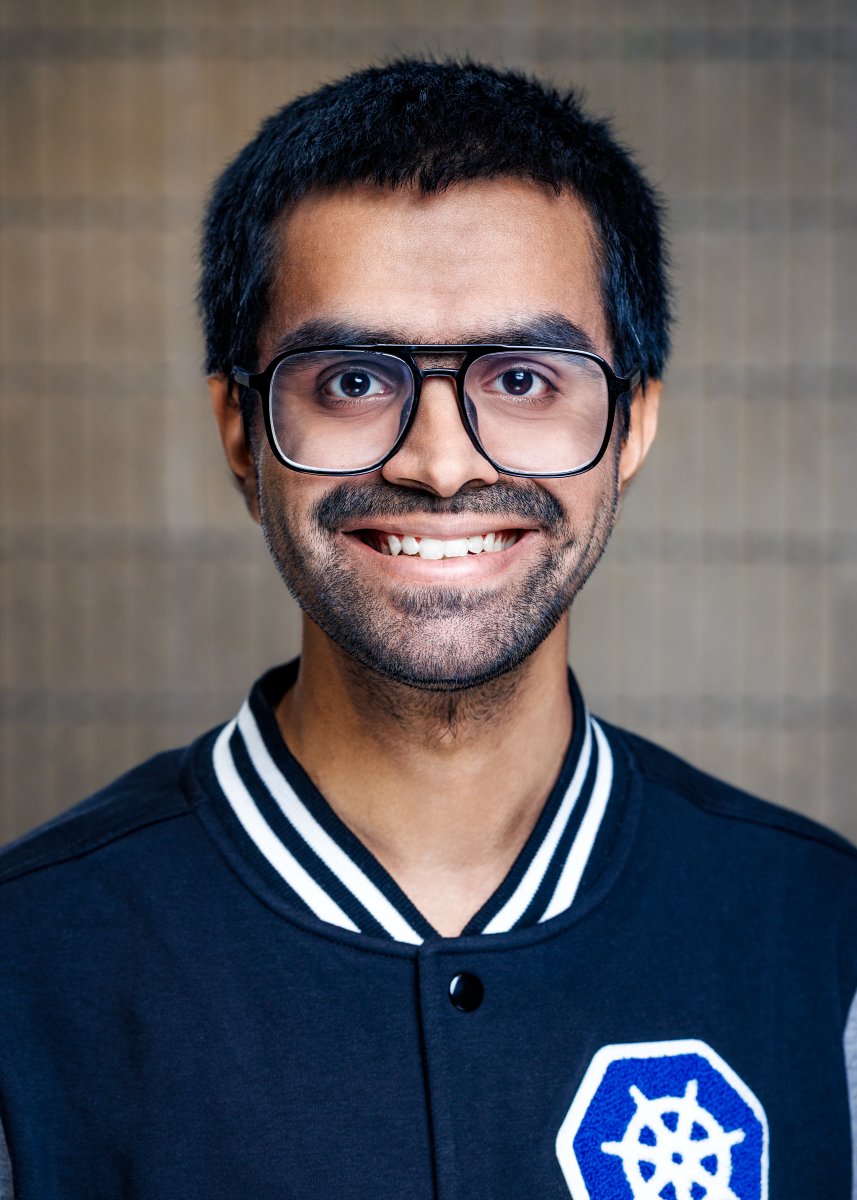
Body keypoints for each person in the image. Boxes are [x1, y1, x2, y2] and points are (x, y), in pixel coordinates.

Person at [0, 58, 854, 1200]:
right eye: (352, 379)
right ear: (240, 430)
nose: (441, 463)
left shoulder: (819, 939)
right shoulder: (27, 961)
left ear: (631, 425)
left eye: (520, 377)